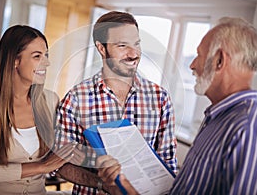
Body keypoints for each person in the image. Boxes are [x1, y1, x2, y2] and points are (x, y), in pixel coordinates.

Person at [98, 17, 257, 195]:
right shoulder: (218, 117)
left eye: (199, 55)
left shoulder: (249, 127)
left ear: (219, 60)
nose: (192, 65)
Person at [54, 11, 177, 195]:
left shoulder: (160, 98)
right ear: (102, 48)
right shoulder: (76, 99)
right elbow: (59, 164)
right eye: (122, 45)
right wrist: (102, 183)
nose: (133, 53)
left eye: (136, 44)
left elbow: (168, 162)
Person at [0, 25, 84, 195]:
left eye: (46, 55)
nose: (47, 63)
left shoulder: (50, 101)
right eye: (37, 56)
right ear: (15, 61)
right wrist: (42, 166)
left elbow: (59, 155)